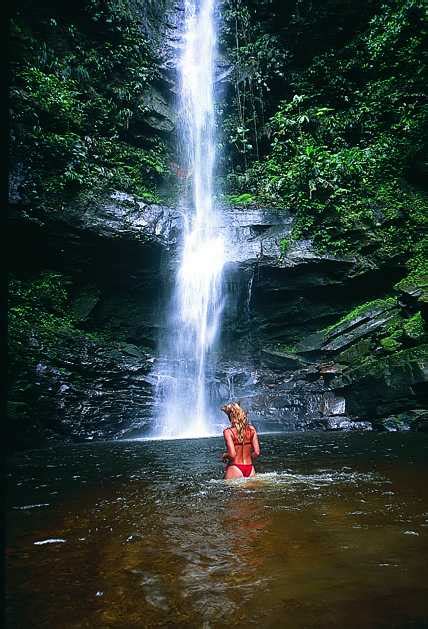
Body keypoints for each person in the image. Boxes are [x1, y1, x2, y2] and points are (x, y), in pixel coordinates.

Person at [221, 402, 260, 479]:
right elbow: (257, 452)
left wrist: (224, 455)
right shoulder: (252, 429)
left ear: (231, 417)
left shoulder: (228, 432)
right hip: (250, 469)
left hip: (235, 468)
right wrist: (247, 456)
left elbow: (232, 454)